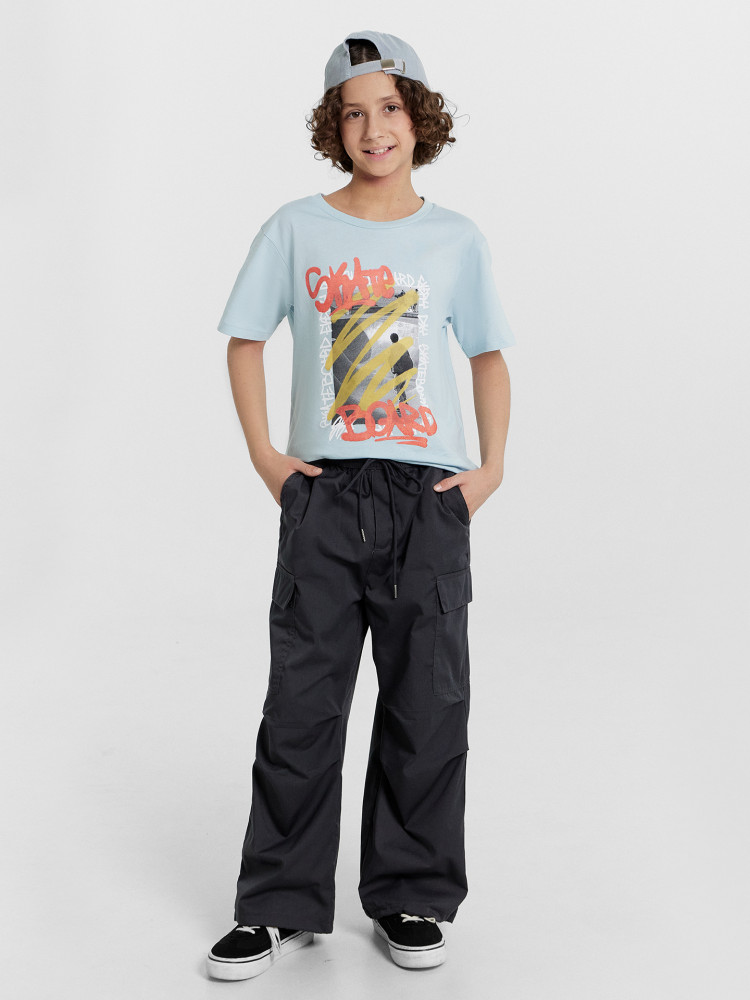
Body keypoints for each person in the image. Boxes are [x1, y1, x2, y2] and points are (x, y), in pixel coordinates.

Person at [206, 29, 515, 981]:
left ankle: (411, 892)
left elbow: (489, 355)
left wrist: (491, 469)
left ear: (419, 118)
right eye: (352, 113)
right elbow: (245, 338)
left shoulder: (455, 239)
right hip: (326, 494)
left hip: (428, 499)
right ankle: (277, 905)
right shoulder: (296, 228)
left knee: (428, 704)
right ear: (332, 127)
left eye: (389, 108)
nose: (373, 128)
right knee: (301, 704)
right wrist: (268, 458)